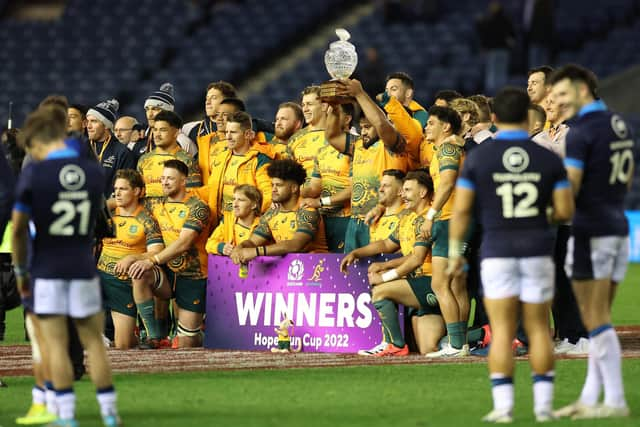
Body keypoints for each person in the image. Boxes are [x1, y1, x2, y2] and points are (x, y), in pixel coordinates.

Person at [447, 87, 574, 422]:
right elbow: (564, 210)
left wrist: (454, 251)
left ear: (495, 118)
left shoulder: (478, 158)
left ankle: (503, 408)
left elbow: (461, 211)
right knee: (537, 328)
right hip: (536, 251)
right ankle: (544, 407)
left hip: (497, 252)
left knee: (502, 331)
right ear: (528, 117)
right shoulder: (548, 158)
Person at [12, 106, 121, 427]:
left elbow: (18, 229)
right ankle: (110, 414)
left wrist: (21, 272)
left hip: (47, 269)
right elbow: (103, 222)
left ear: (37, 141)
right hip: (84, 266)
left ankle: (67, 417)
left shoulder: (34, 173)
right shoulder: (92, 171)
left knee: (55, 345)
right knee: (93, 345)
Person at [550, 64, 633, 419]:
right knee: (598, 320)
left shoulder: (581, 132)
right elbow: (626, 180)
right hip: (616, 225)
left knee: (594, 319)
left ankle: (614, 401)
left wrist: (541, 214)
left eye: (564, 95)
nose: (559, 102)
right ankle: (591, 395)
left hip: (590, 232)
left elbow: (570, 190)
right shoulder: (618, 123)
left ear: (584, 90)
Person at [341, 170, 444, 356]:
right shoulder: (407, 218)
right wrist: (356, 252)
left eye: (407, 190)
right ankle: (482, 334)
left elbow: (416, 258)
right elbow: (387, 244)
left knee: (380, 292)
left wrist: (385, 275)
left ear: (422, 193)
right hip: (419, 286)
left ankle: (394, 344)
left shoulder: (427, 219)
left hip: (431, 283)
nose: (402, 194)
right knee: (429, 349)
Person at [129, 159, 211, 348]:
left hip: (193, 276)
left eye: (170, 179)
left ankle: (202, 335)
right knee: (139, 272)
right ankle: (153, 335)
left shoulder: (198, 207)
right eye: (163, 178)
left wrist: (153, 260)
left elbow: (184, 243)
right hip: (166, 274)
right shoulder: (155, 205)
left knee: (185, 343)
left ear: (184, 181)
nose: (164, 182)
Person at [325, 79, 409, 253]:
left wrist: (359, 94)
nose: (363, 131)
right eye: (361, 127)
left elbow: (380, 123)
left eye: (367, 127)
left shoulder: (393, 146)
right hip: (355, 221)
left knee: (376, 273)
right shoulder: (358, 146)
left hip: (382, 217)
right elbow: (332, 136)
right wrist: (334, 108)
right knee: (351, 275)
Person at [97, 169, 172, 349]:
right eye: (116, 189)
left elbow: (156, 251)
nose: (117, 193)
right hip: (103, 277)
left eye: (123, 189)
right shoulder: (108, 215)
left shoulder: (146, 220)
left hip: (124, 283)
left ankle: (152, 335)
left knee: (123, 345)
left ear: (137, 191)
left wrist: (132, 257)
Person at [421, 106, 469, 358]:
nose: (426, 127)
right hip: (459, 219)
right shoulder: (453, 147)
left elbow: (448, 182)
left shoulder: (447, 149)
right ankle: (460, 343)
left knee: (440, 283)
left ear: (446, 126)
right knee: (457, 284)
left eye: (430, 123)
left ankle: (456, 344)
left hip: (450, 219)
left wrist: (430, 214)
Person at [230, 159, 328, 265]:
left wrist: (256, 252)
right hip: (286, 270)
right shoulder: (271, 214)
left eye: (279, 185)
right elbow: (253, 242)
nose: (273, 189)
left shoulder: (307, 210)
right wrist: (240, 247)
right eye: (272, 185)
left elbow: (295, 245)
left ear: (294, 188)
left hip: (316, 270)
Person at [202, 111, 272, 229]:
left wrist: (250, 219)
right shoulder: (221, 157)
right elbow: (211, 188)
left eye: (233, 132)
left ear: (248, 134)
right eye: (226, 132)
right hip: (220, 224)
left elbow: (268, 196)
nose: (228, 136)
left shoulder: (260, 160)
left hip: (246, 225)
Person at [300, 103, 352, 253]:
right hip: (324, 219)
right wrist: (295, 192)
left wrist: (321, 202)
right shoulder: (322, 151)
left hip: (347, 219)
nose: (329, 120)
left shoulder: (356, 147)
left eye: (334, 116)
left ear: (347, 119)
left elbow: (355, 188)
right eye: (328, 116)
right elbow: (315, 187)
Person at [137, 110, 202, 210]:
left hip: (173, 219)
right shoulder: (144, 159)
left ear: (176, 133)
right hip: (147, 218)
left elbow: (193, 198)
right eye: (155, 129)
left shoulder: (186, 161)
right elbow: (137, 194)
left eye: (163, 130)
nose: (157, 134)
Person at [86, 98, 137, 197]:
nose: (88, 126)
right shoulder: (81, 148)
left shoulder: (122, 153)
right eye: (87, 121)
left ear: (106, 125)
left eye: (93, 121)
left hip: (110, 210)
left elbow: (126, 190)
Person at [187, 81, 237, 180]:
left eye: (213, 98)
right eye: (207, 98)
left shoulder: (241, 128)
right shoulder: (192, 130)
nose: (207, 102)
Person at [143, 83, 198, 156]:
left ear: (168, 112)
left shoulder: (181, 142)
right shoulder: (141, 136)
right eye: (147, 109)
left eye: (155, 109)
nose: (149, 114)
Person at [205, 184, 262, 256]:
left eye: (240, 200)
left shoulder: (263, 226)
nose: (234, 204)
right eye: (234, 199)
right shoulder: (227, 221)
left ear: (254, 205)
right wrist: (221, 247)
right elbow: (209, 244)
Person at [287, 86, 328, 178]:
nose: (305, 109)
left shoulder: (338, 136)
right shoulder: (295, 139)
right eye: (303, 105)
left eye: (309, 104)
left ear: (323, 106)